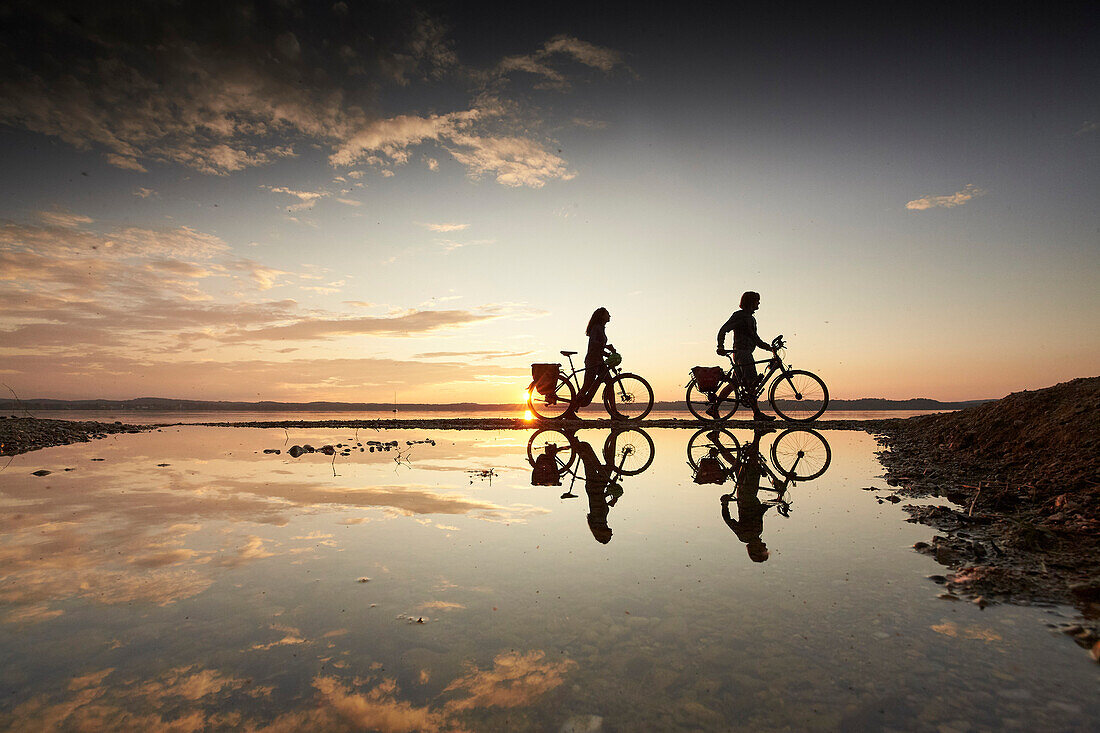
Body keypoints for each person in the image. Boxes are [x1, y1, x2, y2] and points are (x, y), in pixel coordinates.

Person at [715, 291, 776, 421]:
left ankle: (713, 408)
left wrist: (769, 348)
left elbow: (756, 339)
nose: (759, 303)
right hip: (742, 354)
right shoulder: (740, 316)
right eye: (757, 300)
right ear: (750, 302)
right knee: (751, 383)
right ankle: (757, 413)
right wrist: (720, 346)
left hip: (744, 353)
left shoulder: (751, 318)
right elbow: (723, 329)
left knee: (734, 384)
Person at [567, 307, 616, 417]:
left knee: (610, 382)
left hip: (599, 360)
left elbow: (597, 348)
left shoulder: (601, 328)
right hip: (592, 361)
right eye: (607, 314)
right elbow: (593, 344)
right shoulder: (596, 328)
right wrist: (606, 346)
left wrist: (607, 354)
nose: (610, 316)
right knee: (587, 386)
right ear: (602, 316)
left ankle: (614, 413)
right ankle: (570, 411)